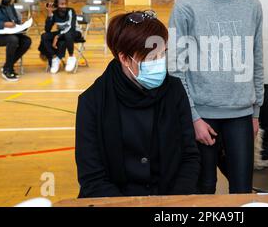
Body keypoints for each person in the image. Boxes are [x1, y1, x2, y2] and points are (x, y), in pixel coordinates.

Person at [169, 0, 264, 194]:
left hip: (241, 115)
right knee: (204, 187)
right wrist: (194, 118)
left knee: (242, 188)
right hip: (202, 115)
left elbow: (256, 60)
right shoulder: (186, 6)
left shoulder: (252, 5)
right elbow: (176, 69)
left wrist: (256, 112)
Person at [75, 11, 200, 198]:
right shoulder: (92, 102)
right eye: (151, 58)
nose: (160, 63)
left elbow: (189, 157)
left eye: (162, 54)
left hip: (169, 201)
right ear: (124, 58)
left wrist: (172, 204)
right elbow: (92, 178)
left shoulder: (174, 91)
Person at [39, 0, 81, 73]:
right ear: (57, 5)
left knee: (67, 34)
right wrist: (49, 14)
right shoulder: (54, 13)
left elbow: (71, 27)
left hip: (74, 32)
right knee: (44, 36)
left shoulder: (70, 11)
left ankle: (71, 57)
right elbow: (47, 29)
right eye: (61, 4)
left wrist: (57, 36)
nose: (64, 6)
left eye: (65, 4)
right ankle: (55, 58)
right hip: (62, 33)